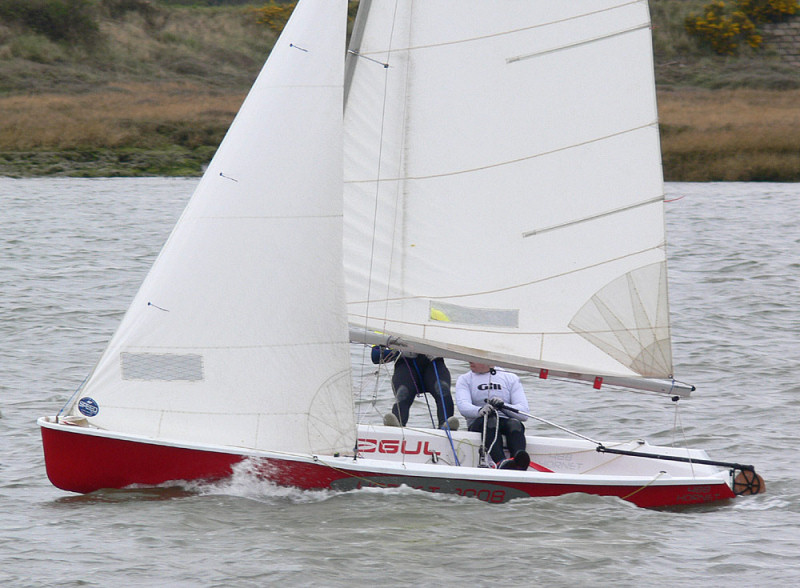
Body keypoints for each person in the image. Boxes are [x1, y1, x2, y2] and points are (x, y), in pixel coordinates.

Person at [455, 362, 530, 470]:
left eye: (474, 359)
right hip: (480, 422)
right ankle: (501, 461)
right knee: (491, 421)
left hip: (504, 420)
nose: (470, 361)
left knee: (515, 424)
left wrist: (503, 406)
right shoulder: (465, 379)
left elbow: (524, 414)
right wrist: (480, 410)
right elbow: (463, 406)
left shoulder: (510, 378)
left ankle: (519, 461)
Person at [371, 346, 458, 430]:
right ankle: (396, 426)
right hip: (405, 363)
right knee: (403, 393)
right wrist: (399, 351)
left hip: (433, 362)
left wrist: (437, 350)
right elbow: (375, 356)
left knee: (443, 389)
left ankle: (446, 426)